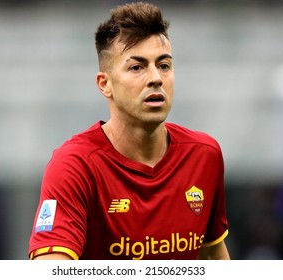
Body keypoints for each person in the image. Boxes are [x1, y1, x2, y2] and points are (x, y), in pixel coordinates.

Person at [28, 1, 230, 260]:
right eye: (137, 67)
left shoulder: (205, 155)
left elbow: (214, 256)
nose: (156, 77)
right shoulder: (74, 165)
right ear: (105, 84)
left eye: (164, 65)